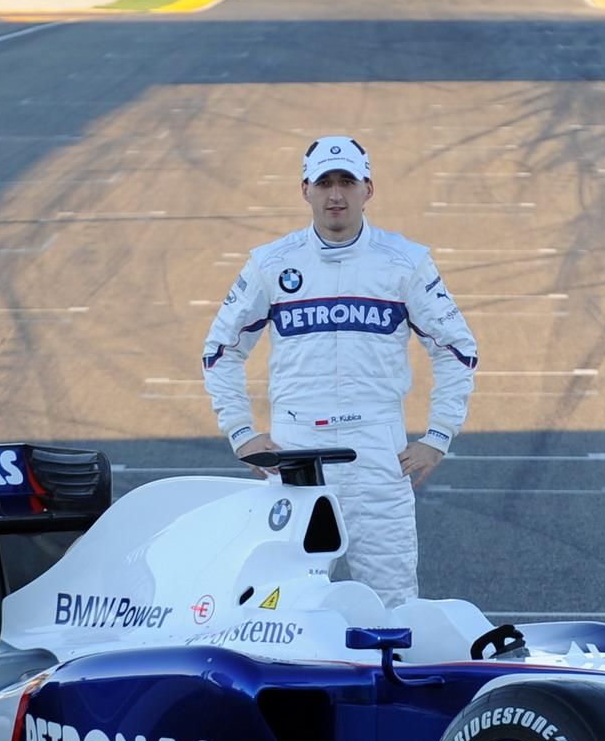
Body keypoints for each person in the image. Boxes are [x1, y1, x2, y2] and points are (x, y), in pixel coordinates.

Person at [202, 136, 477, 605]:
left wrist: (438, 437)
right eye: (324, 182)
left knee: (391, 603)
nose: (335, 194)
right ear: (304, 190)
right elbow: (220, 350)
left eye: (346, 181)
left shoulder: (405, 263)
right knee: (281, 599)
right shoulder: (271, 264)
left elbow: (457, 348)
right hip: (295, 450)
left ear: (368, 188)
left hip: (376, 452)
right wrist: (242, 434)